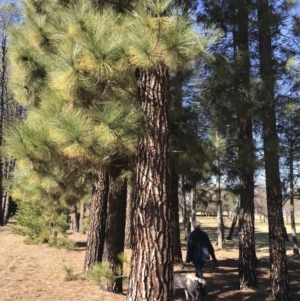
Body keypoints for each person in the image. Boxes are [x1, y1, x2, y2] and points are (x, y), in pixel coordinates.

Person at [186, 220, 217, 300]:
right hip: (204, 257)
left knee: (199, 274)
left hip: (196, 257)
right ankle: (197, 288)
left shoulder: (192, 235)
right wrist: (214, 258)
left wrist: (188, 259)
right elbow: (210, 246)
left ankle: (203, 293)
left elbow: (190, 248)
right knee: (198, 272)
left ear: (193, 226)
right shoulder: (204, 234)